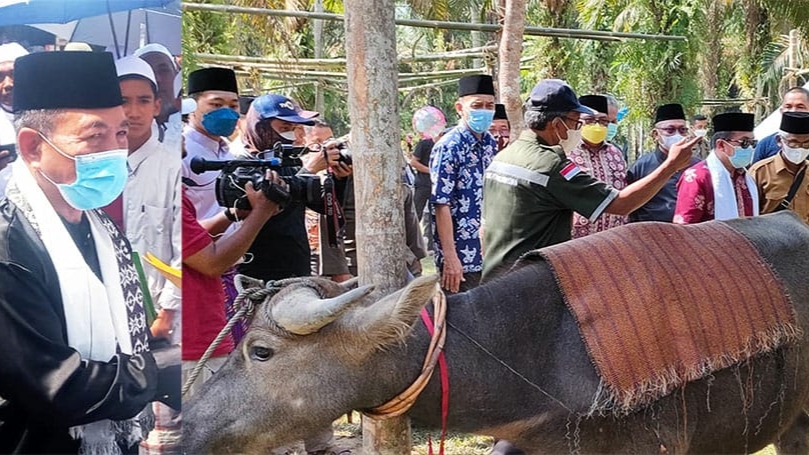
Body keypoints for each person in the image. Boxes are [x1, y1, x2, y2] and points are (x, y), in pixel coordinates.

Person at [0, 51, 177, 454]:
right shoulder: (9, 246)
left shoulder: (98, 225)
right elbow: (56, 384)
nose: (115, 150)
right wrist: (155, 371)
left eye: (119, 134)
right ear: (32, 147)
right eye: (95, 136)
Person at [481, 79, 699, 283]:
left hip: (497, 275)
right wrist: (671, 166)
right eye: (576, 122)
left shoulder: (505, 156)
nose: (578, 129)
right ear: (557, 124)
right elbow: (622, 204)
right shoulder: (550, 165)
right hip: (528, 281)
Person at [182, 172, 283, 397]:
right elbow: (211, 262)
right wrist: (262, 211)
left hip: (195, 340)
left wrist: (234, 214)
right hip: (193, 346)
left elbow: (192, 244)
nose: (183, 139)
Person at [236, 94, 349, 282]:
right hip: (259, 273)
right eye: (284, 129)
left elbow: (321, 204)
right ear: (260, 128)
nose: (291, 136)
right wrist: (309, 169)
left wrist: (338, 179)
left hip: (297, 267)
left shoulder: (288, 163)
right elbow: (275, 201)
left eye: (293, 128)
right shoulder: (243, 167)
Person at [430, 74, 497, 293]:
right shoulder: (449, 147)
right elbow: (441, 204)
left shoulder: (490, 143)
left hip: (488, 251)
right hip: (461, 254)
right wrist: (450, 257)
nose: (484, 111)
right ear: (460, 107)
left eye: (490, 106)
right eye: (477, 105)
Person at [673, 112, 759, 224]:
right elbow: (684, 229)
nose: (750, 148)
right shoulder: (697, 178)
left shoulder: (745, 177)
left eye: (753, 143)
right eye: (744, 142)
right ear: (721, 145)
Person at [625, 103, 701, 222]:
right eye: (670, 130)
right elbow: (629, 206)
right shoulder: (640, 167)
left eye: (682, 130)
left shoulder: (699, 167)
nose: (677, 135)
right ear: (656, 134)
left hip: (692, 233)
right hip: (651, 234)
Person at [566, 94, 629, 238]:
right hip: (575, 240)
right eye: (589, 120)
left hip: (613, 238)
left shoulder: (616, 153)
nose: (597, 126)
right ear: (578, 122)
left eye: (603, 121)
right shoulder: (566, 153)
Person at [182, 67, 240, 221]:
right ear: (192, 106)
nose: (227, 113)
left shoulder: (227, 151)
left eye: (233, 106)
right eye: (216, 104)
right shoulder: (182, 153)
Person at [750, 111, 809, 224]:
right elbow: (749, 215)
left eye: (806, 143)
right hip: (771, 240)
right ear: (779, 140)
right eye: (793, 142)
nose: (799, 148)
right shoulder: (759, 172)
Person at [753, 87, 809, 163]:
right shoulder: (766, 144)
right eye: (788, 107)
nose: (793, 111)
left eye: (800, 107)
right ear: (781, 111)